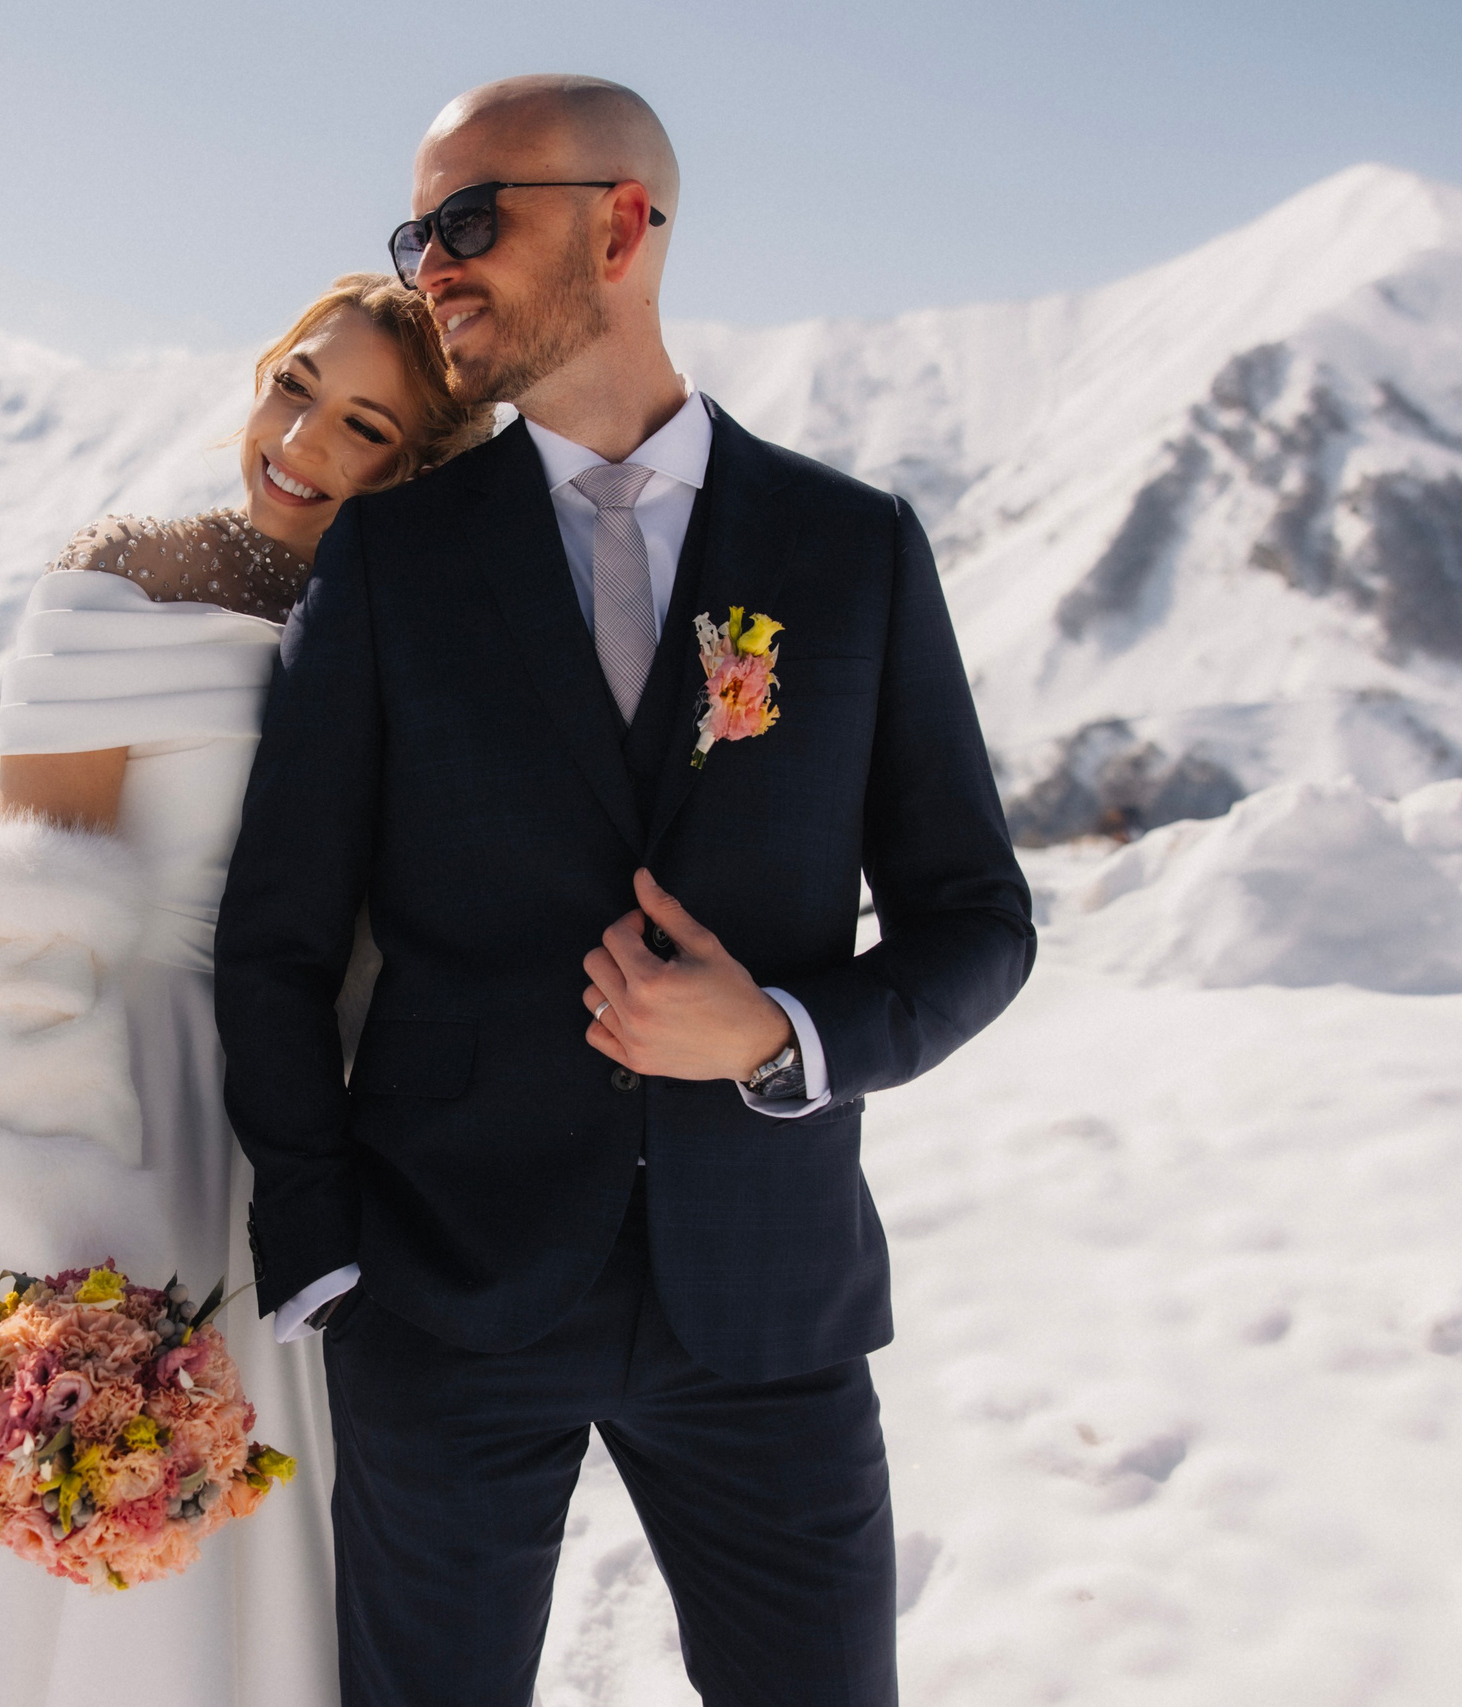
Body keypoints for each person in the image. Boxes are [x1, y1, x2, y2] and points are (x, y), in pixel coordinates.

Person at [216, 78, 1036, 1707]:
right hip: (445, 1301)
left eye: (471, 220)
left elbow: (977, 918)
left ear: (623, 221)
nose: (432, 264)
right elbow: (280, 934)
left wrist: (779, 1033)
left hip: (769, 1310)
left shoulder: (850, 549)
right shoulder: (394, 558)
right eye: (415, 231)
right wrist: (322, 1244)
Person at [0, 274, 490, 1707]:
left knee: (246, 1532)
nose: (301, 440)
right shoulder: (130, 573)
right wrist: (52, 1237)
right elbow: (22, 911)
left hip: (286, 1126)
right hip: (92, 1112)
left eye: (360, 426)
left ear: (406, 465)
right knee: (65, 1490)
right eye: (295, 386)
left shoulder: (403, 624)